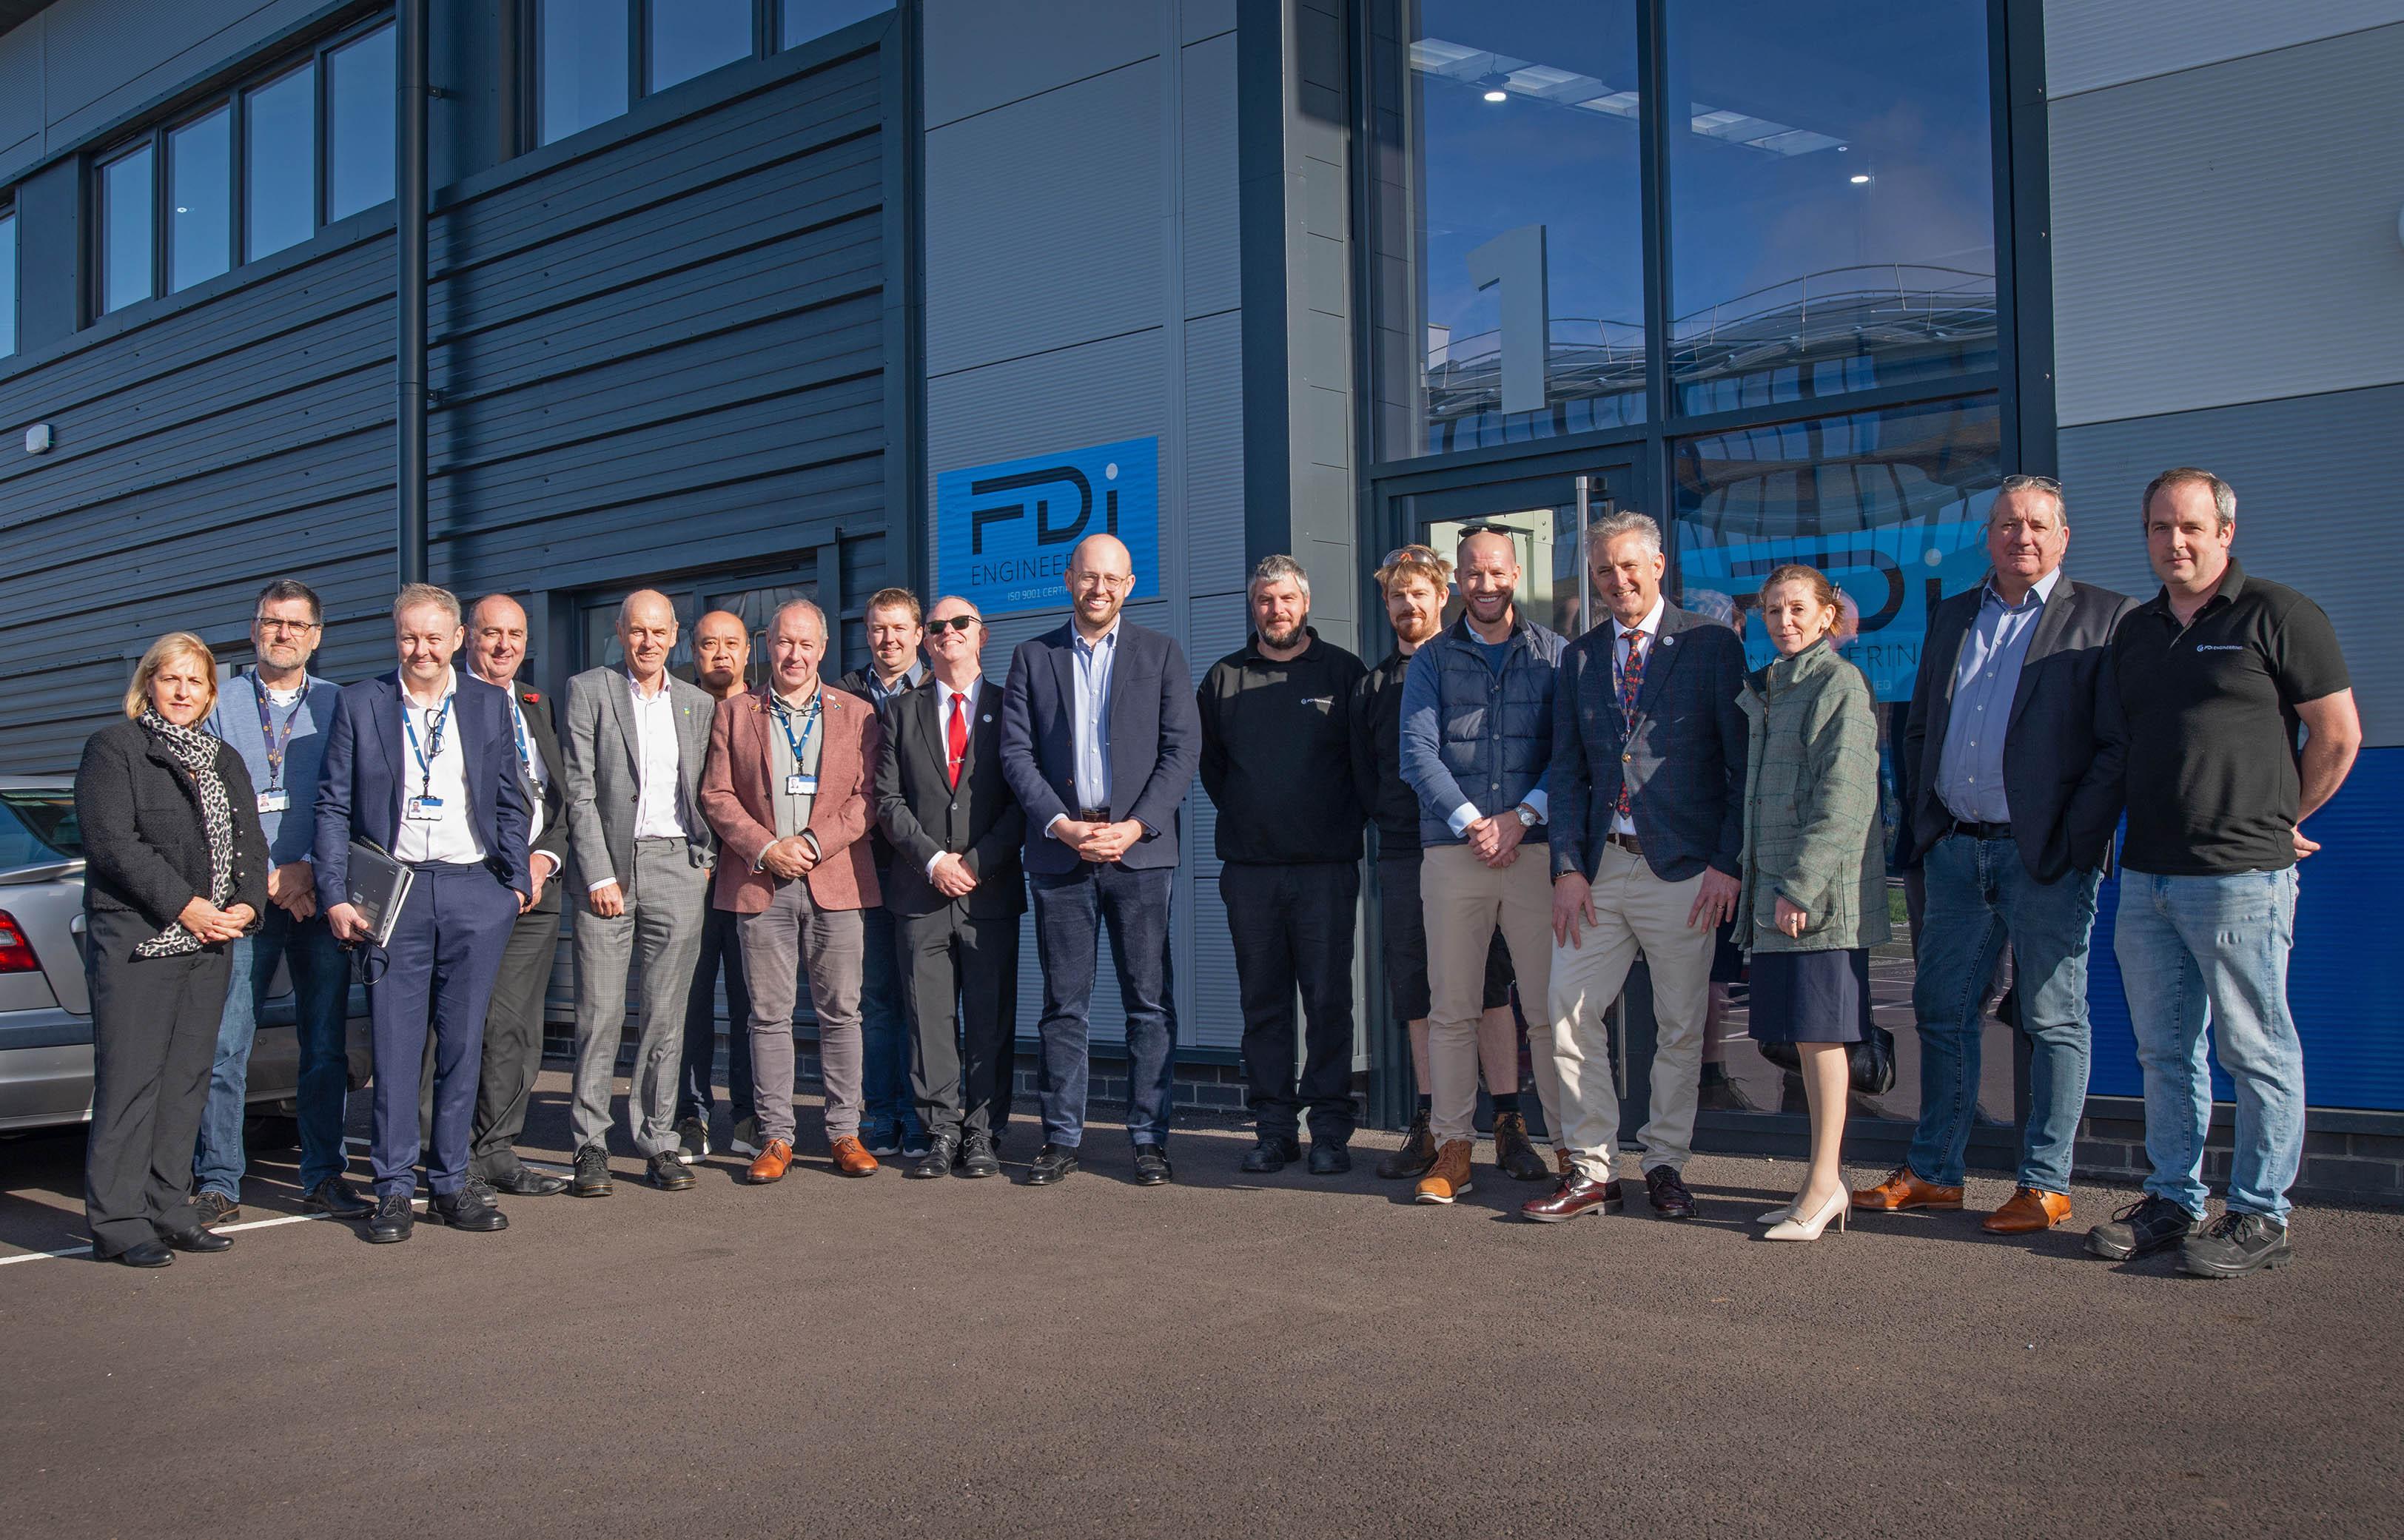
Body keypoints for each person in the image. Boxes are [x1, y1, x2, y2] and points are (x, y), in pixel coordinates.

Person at [2085, 468, 2358, 1279]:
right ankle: (2173, 1199)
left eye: (2191, 527)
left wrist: (2282, 822)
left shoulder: (2278, 615)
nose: (2174, 542)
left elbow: (2336, 736)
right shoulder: (2135, 632)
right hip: (2148, 877)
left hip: (2240, 876)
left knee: (2254, 1046)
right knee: (2165, 1050)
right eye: (2159, 527)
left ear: (2224, 532)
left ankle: (2259, 1212)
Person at [1853, 477, 2134, 1234]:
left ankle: (2044, 1181)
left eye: (2037, 524)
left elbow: (2115, 747)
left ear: (2063, 536)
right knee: (1940, 1010)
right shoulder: (1953, 614)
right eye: (2008, 524)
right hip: (1955, 851)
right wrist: (1925, 825)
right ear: (1989, 534)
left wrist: (2076, 843)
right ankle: (1936, 1171)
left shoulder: (2106, 619)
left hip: (2043, 857)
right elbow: (1918, 730)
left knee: (2051, 1016)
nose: (2022, 537)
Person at [1522, 514, 1747, 1225]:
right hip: (1599, 870)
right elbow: (1566, 769)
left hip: (1683, 871)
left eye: (1627, 567)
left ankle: (1665, 1164)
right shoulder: (1581, 656)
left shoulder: (1710, 646)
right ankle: (1593, 1170)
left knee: (1681, 1025)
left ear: (1657, 565)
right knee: (1567, 1010)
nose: (1616, 581)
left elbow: (1740, 766)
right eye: (1602, 571)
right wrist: (1565, 866)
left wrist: (1726, 864)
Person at [316, 585, 530, 1243]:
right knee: (396, 1046)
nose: (422, 650)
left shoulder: (491, 704)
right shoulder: (361, 702)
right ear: (396, 636)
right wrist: (333, 892)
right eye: (410, 637)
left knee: (464, 1044)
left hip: (473, 891)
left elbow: (510, 800)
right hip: (396, 896)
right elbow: (332, 807)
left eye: (435, 638)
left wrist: (513, 885)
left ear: (457, 640)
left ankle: (450, 1183)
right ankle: (392, 1188)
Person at [999, 532, 1201, 1188]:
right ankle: (1061, 1137)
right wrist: (1060, 826)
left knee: (1149, 1005)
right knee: (1064, 1006)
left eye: (1113, 578)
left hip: (1138, 856)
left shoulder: (1162, 654)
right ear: (1068, 579)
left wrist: (1135, 825)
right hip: (1062, 855)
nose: (1100, 589)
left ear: (1130, 584)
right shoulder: (1033, 657)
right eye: (1090, 577)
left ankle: (1149, 1137)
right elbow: (1016, 756)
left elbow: (1181, 752)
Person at [77, 634, 267, 1267]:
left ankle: (167, 1205)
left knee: (187, 1080)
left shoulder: (223, 756)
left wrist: (247, 903)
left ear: (212, 692)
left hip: (212, 940)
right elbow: (114, 844)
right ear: (148, 683)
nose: (184, 692)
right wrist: (187, 905)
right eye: (172, 679)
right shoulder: (116, 749)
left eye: (198, 682)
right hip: (141, 939)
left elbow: (249, 841)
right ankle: (119, 1221)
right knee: (133, 1081)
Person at [1397, 528, 1567, 1203]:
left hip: (1533, 850)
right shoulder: (1432, 659)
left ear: (1516, 573)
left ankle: (1574, 1151)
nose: (1485, 583)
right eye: (1472, 573)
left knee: (1552, 1009)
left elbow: (1572, 750)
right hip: (1454, 851)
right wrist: (1474, 823)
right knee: (1453, 1008)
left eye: (1496, 571)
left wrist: (1520, 817)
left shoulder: (1554, 653)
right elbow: (1418, 753)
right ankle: (1454, 1148)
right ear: (1457, 581)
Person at [1349, 546, 1523, 1181]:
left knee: (1491, 987)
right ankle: (1433, 1124)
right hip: (1404, 855)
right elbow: (1364, 776)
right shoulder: (1371, 685)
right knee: (1419, 992)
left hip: (1478, 849)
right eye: (1397, 595)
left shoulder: (1463, 664)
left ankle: (1509, 1121)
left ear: (1441, 596)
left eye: (1419, 592)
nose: (1408, 604)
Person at [191, 580, 360, 1225]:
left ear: (317, 635)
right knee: (227, 1042)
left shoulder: (341, 705)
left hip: (319, 900)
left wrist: (310, 871)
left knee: (324, 1047)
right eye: (271, 621)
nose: (283, 632)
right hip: (241, 903)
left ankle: (323, 1174)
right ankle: (219, 1180)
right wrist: (259, 875)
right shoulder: (219, 703)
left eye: (296, 624)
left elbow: (356, 800)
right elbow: (203, 802)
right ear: (254, 628)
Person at [699, 599, 885, 1183]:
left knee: (842, 1013)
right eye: (784, 642)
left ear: (823, 649)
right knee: (768, 1015)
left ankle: (843, 1133)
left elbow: (867, 797)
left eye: (806, 644)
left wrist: (811, 841)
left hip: (835, 879)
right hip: (761, 881)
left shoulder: (857, 714)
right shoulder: (735, 713)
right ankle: (776, 1135)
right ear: (767, 645)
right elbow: (717, 795)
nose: (795, 654)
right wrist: (765, 847)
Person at [1199, 556, 1369, 1175]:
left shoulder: (1344, 673)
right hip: (1251, 872)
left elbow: (1362, 766)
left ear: (1306, 603)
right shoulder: (1224, 679)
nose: (1277, 610)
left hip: (1326, 868)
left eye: (1287, 599)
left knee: (1328, 1003)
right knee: (1263, 1004)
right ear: (1255, 607)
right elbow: (1214, 770)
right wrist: (1255, 819)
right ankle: (1274, 1129)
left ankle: (1328, 1130)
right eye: (1266, 600)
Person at [1735, 565, 1887, 1243]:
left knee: (1823, 1037)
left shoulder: (1837, 684)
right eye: (1773, 610)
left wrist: (1800, 884)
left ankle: (1825, 1185)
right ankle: (1820, 1182)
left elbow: (1844, 800)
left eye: (1798, 608)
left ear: (1829, 615)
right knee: (1805, 1035)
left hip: (1815, 898)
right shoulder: (1775, 687)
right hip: (1780, 894)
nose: (1784, 620)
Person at [560, 590, 716, 1197]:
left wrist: (701, 862)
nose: (648, 642)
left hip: (676, 866)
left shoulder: (696, 703)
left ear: (674, 636)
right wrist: (599, 873)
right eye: (637, 631)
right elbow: (577, 788)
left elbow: (706, 788)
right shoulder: (589, 689)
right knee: (599, 1016)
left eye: (659, 631)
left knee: (665, 1018)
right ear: (620, 633)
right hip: (609, 870)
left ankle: (658, 1140)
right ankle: (590, 1146)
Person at [875, 596, 1025, 1178]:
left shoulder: (1013, 707)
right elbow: (886, 801)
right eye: (936, 626)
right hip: (921, 891)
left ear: (981, 635)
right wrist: (935, 860)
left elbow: (1023, 800)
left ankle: (983, 1132)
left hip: (989, 891)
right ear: (926, 641)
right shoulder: (899, 711)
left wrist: (977, 862)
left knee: (990, 1018)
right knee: (927, 1017)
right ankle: (940, 1128)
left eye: (959, 623)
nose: (947, 632)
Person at [454, 594, 571, 1199]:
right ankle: (446, 1153)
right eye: (491, 633)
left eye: (515, 635)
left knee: (517, 1027)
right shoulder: (446, 701)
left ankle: (496, 1147)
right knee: (458, 1022)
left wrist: (545, 858)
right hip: (473, 885)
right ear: (466, 636)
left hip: (535, 890)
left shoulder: (535, 703)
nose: (504, 645)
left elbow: (557, 798)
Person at [836, 587, 931, 1160]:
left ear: (919, 634)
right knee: (875, 999)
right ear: (866, 633)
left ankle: (922, 1115)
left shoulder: (938, 688)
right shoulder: (843, 694)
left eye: (899, 628)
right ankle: (883, 1113)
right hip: (862, 868)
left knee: (924, 997)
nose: (888, 639)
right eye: (878, 628)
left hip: (923, 868)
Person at [676, 610, 759, 1159]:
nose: (721, 653)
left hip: (754, 876)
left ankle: (752, 1114)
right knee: (689, 1000)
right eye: (709, 644)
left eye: (731, 643)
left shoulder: (766, 709)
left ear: (749, 651)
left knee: (755, 1001)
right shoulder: (678, 709)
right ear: (695, 650)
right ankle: (691, 1115)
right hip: (689, 879)